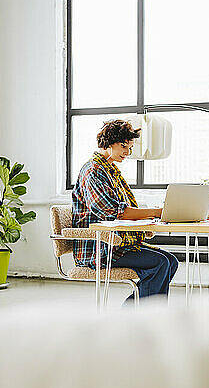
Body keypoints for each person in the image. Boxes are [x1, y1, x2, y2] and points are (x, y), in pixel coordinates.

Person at [72, 119, 178, 301]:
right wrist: (156, 212)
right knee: (161, 263)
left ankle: (138, 314)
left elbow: (122, 211)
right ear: (108, 142)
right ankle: (140, 316)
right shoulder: (93, 171)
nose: (127, 153)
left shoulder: (109, 170)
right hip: (101, 249)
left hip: (118, 244)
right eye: (123, 146)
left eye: (129, 148)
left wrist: (150, 218)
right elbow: (115, 212)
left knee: (171, 261)